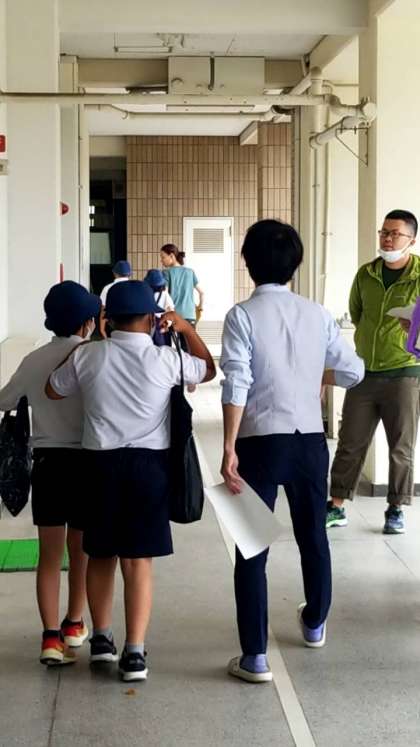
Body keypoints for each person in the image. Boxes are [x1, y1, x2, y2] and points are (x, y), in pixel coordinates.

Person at [46, 280, 216, 682]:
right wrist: (185, 329)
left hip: (99, 465)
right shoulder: (165, 359)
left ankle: (101, 640)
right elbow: (208, 369)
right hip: (148, 468)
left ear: (108, 319)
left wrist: (85, 347)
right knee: (138, 561)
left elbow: (53, 390)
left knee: (100, 554)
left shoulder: (89, 356)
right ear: (151, 320)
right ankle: (135, 653)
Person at [220, 219, 364, 683]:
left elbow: (237, 382)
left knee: (252, 547)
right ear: (295, 265)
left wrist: (228, 445)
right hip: (308, 443)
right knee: (313, 536)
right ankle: (315, 622)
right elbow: (354, 372)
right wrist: (316, 375)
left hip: (258, 442)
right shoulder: (317, 314)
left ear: (248, 262)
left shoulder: (242, 315)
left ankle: (254, 657)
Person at [0, 280, 101, 665]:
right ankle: (74, 624)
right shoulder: (93, 356)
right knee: (81, 551)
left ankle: (49, 639)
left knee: (49, 555)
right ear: (86, 323)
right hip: (87, 461)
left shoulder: (34, 360)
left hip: (48, 464)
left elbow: (5, 400)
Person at [327, 209, 420, 535]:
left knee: (401, 446)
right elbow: (357, 313)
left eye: (395, 234)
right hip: (364, 372)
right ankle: (336, 506)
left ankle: (396, 509)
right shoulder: (366, 274)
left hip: (405, 372)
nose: (387, 239)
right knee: (350, 442)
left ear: (411, 239)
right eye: (384, 232)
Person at [160, 244, 204, 333]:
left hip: (174, 317)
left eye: (163, 257)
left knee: (170, 341)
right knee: (189, 342)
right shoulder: (190, 272)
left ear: (171, 256)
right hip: (190, 316)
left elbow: (165, 295)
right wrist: (200, 308)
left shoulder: (166, 273)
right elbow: (202, 293)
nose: (161, 260)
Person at [99, 260, 132, 338]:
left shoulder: (107, 288)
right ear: (130, 274)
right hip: (131, 326)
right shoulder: (135, 288)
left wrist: (102, 329)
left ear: (114, 273)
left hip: (113, 326)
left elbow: (103, 309)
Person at [144, 269, 175, 346]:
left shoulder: (145, 294)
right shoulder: (165, 294)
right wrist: (168, 325)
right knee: (163, 348)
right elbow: (171, 311)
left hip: (147, 324)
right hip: (161, 324)